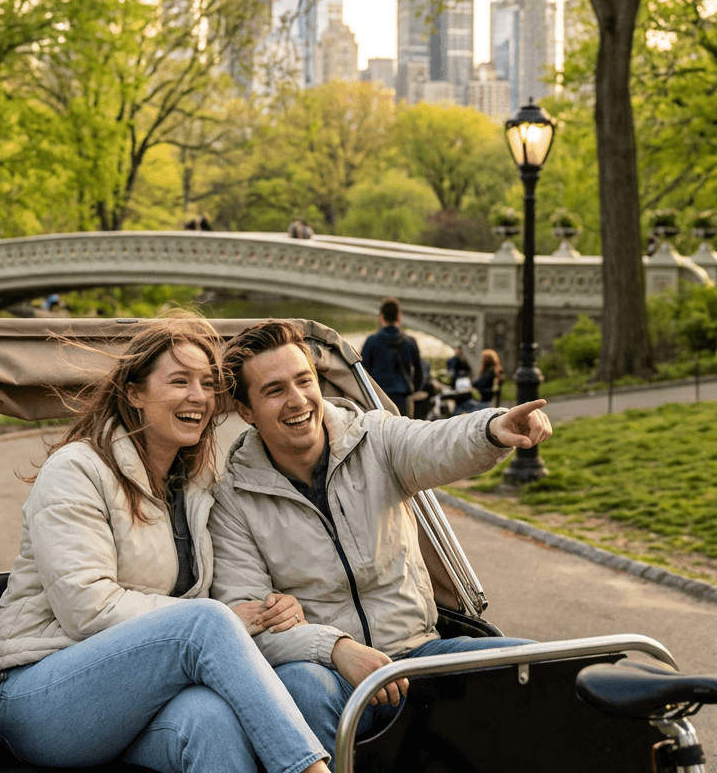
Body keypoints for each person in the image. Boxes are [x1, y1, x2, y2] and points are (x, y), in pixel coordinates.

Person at [0, 316, 331, 773]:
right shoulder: (76, 471)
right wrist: (221, 619)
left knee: (212, 722)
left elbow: (216, 601)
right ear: (134, 393)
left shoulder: (199, 486)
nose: (199, 397)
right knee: (205, 622)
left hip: (148, 693)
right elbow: (86, 608)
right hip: (42, 689)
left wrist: (270, 608)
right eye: (180, 381)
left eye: (208, 384)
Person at [209, 320, 551, 764]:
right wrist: (336, 648)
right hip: (329, 671)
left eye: (304, 381)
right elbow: (247, 626)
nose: (297, 401)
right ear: (246, 410)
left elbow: (436, 442)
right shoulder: (233, 497)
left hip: (419, 652)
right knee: (300, 690)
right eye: (274, 390)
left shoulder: (374, 437)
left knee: (539, 668)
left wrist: (492, 428)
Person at [360, 297, 422, 416]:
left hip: (378, 397)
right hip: (403, 397)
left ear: (381, 317)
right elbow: (419, 371)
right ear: (399, 316)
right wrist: (414, 389)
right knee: (403, 432)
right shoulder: (410, 342)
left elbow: (362, 371)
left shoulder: (371, 341)